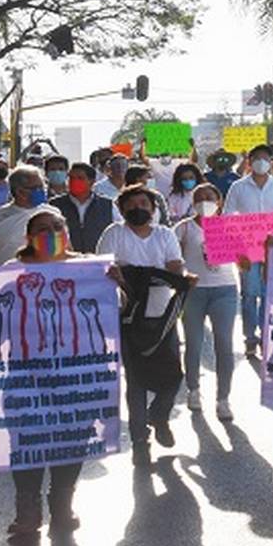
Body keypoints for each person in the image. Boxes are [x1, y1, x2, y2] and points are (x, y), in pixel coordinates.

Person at [5, 211, 85, 541]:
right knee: (26, 438)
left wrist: (115, 285)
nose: (50, 233)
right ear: (28, 237)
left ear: (67, 232)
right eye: (42, 230)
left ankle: (62, 503)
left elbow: (114, 310)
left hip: (76, 372)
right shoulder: (11, 271)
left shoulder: (89, 268)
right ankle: (27, 508)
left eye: (57, 227)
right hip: (26, 371)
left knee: (72, 437)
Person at [96, 185, 185, 466]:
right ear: (122, 210)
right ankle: (139, 440)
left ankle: (159, 415)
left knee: (173, 374)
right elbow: (105, 271)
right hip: (127, 316)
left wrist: (138, 274)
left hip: (162, 315)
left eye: (144, 203)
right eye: (132, 204)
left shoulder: (164, 234)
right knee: (135, 381)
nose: (139, 208)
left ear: (153, 207)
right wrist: (132, 278)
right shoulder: (114, 234)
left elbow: (175, 268)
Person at [224, 143, 273, 357]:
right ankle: (250, 337)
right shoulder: (238, 187)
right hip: (247, 250)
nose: (260, 162)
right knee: (249, 294)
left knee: (271, 294)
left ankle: (267, 333)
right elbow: (228, 217)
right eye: (256, 158)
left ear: (271, 162)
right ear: (249, 162)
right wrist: (235, 249)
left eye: (265, 158)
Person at [174, 184, 238, 422]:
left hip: (224, 291)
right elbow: (173, 259)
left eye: (209, 198)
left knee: (224, 345)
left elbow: (244, 261)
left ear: (219, 201)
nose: (204, 202)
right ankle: (193, 390)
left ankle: (223, 399)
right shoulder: (183, 228)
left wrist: (256, 251)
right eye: (199, 198)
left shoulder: (229, 226)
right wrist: (182, 275)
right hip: (194, 292)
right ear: (192, 202)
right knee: (194, 343)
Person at [0, 166, 60, 271]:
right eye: (36, 188)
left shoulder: (53, 214)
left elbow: (65, 249)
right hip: (8, 280)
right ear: (19, 191)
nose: (42, 190)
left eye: (42, 186)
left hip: (46, 278)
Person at [49, 162, 115, 255]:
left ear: (91, 181)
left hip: (99, 261)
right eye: (71, 178)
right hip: (65, 262)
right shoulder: (55, 205)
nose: (74, 181)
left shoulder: (107, 205)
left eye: (80, 178)